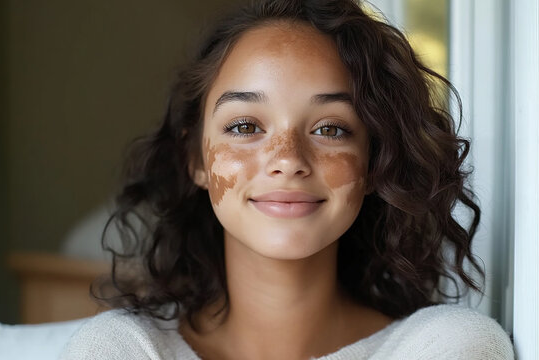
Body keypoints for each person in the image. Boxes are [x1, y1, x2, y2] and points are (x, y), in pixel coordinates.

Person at [60, 0, 514, 359]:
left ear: (375, 163)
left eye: (329, 129)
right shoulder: (120, 350)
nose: (287, 160)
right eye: (245, 127)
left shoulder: (447, 348)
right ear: (195, 160)